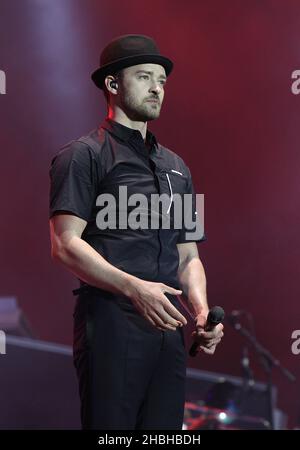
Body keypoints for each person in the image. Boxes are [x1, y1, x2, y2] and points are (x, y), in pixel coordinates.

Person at [49, 34, 223, 430]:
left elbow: (189, 255)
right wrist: (134, 287)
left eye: (161, 80)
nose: (157, 88)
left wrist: (199, 311)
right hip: (111, 322)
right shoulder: (83, 155)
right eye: (144, 77)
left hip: (169, 329)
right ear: (112, 84)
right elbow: (64, 244)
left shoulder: (178, 166)